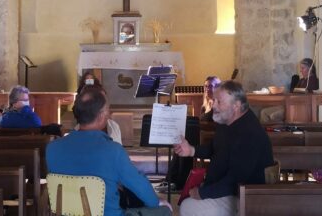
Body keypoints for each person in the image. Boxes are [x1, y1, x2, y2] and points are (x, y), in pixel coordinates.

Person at [46, 87, 172, 216]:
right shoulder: (113, 150)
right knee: (164, 211)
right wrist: (156, 201)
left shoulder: (52, 148)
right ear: (101, 116)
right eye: (107, 109)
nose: (109, 113)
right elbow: (139, 185)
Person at [174, 80, 274, 216]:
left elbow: (235, 180)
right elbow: (216, 148)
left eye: (219, 101)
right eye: (214, 100)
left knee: (189, 207)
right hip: (226, 188)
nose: (213, 105)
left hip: (244, 196)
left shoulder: (250, 133)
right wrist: (191, 150)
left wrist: (203, 193)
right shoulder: (226, 121)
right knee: (188, 202)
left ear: (236, 106)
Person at [155, 76, 221, 193]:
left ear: (218, 87)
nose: (207, 89)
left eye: (211, 86)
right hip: (201, 135)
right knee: (181, 143)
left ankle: (179, 181)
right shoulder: (205, 105)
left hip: (210, 138)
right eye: (206, 86)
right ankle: (171, 180)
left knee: (187, 142)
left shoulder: (219, 105)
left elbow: (215, 126)